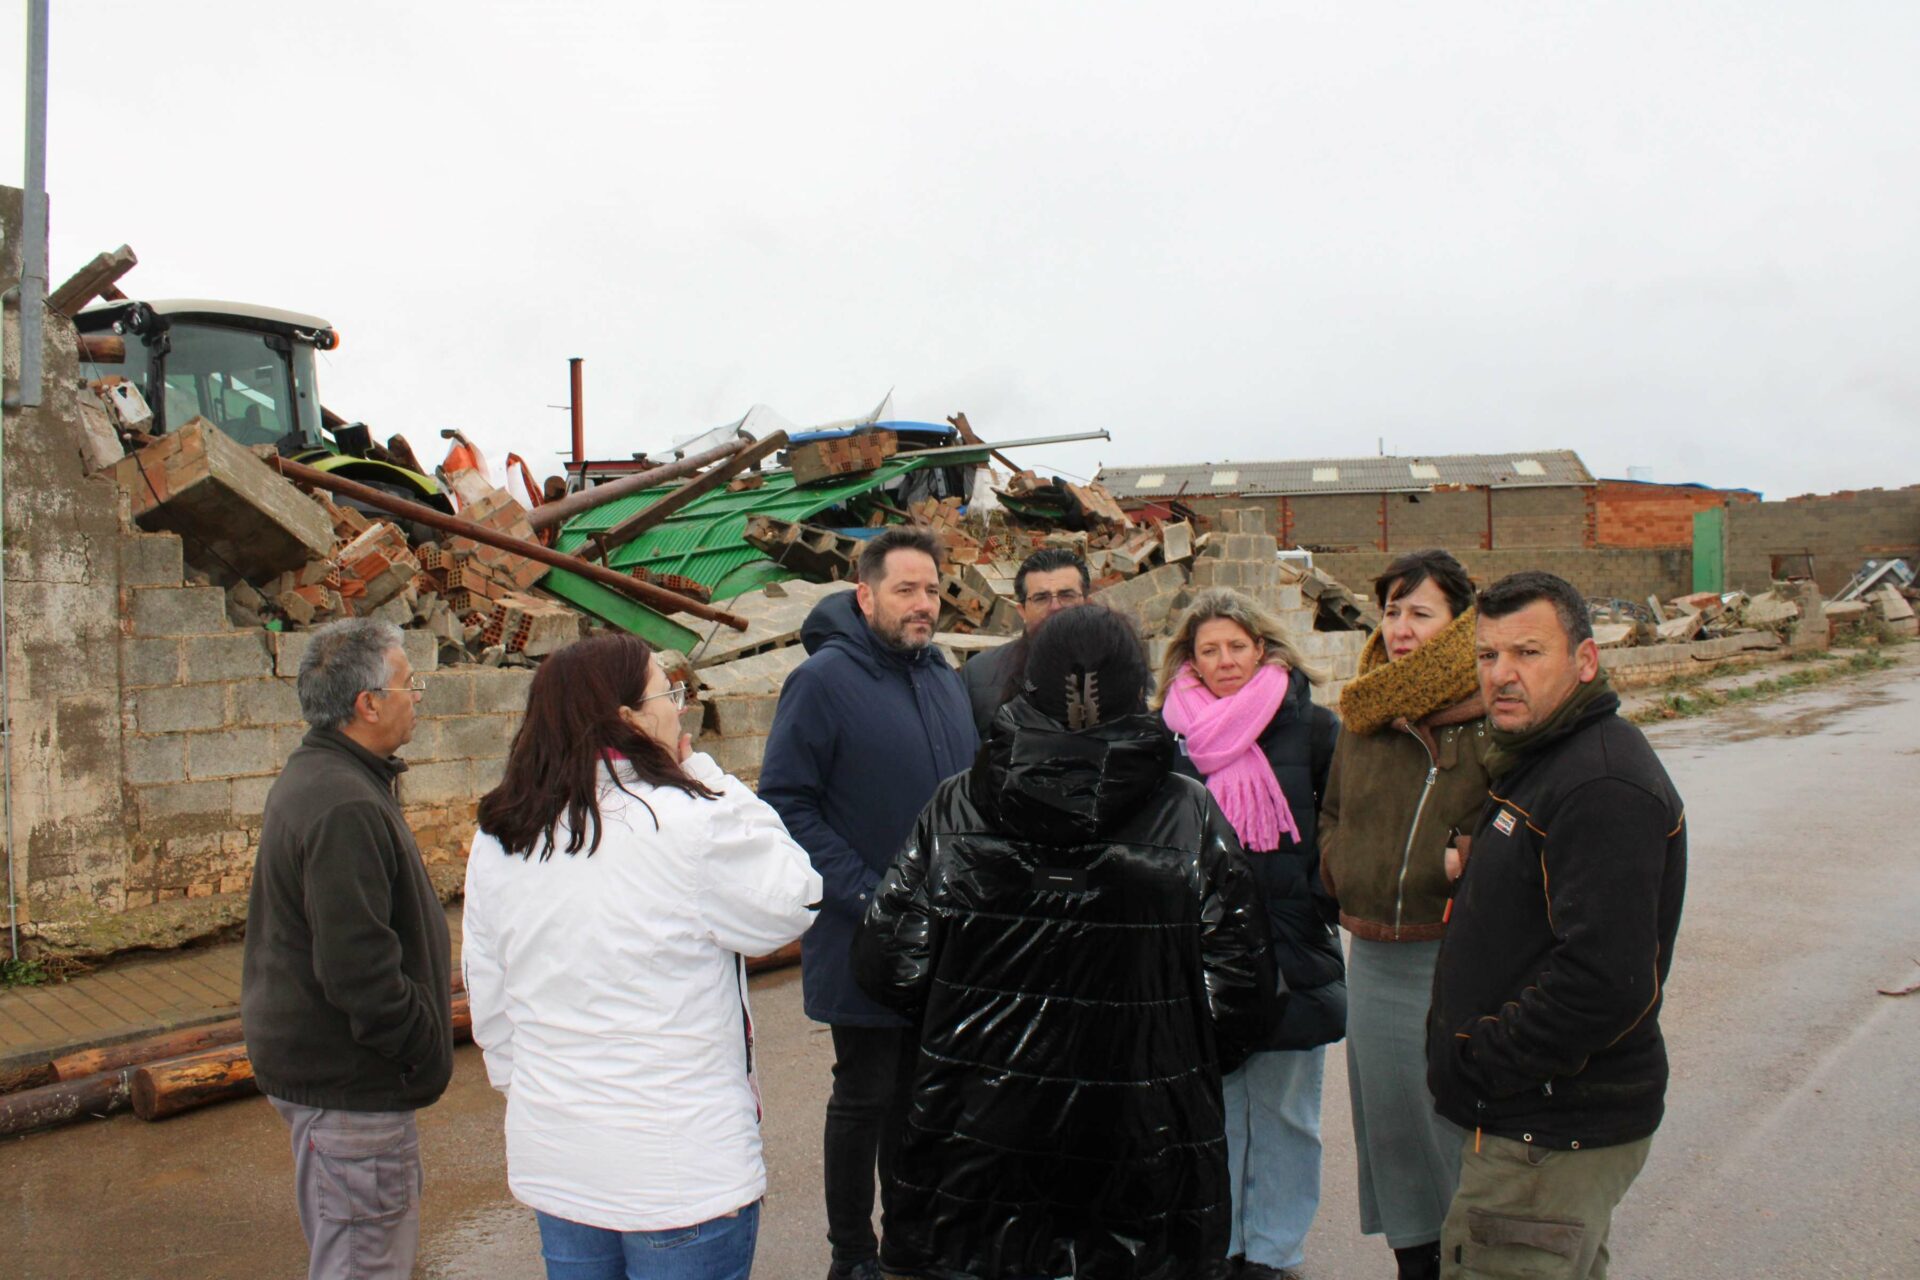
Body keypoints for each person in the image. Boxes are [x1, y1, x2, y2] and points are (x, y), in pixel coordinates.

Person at [854, 605, 1278, 1279]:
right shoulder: (1185, 812)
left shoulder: (955, 807)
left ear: (1029, 678)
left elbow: (889, 966)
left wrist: (967, 1032)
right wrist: (1166, 1056)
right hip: (1144, 1143)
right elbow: (1243, 997)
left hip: (976, 1139)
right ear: (1137, 681)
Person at [462, 634, 821, 1280]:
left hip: (560, 1164)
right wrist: (710, 780)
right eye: (669, 693)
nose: (680, 710)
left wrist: (542, 1099)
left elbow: (490, 1001)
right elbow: (794, 898)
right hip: (677, 1173)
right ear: (628, 719)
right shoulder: (685, 822)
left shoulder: (501, 836)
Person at [1429, 571, 1686, 1280]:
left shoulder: (1600, 784)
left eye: (1528, 653)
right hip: (1537, 1121)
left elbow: (1607, 981)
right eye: (1488, 656)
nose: (1502, 676)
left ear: (1586, 661)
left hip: (1548, 1131)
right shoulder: (1542, 759)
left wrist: (1484, 1059)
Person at [759, 526, 980, 1280]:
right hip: (865, 933)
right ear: (864, 595)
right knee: (865, 1095)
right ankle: (852, 1254)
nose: (923, 605)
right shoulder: (822, 681)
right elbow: (786, 802)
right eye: (905, 590)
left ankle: (914, 1242)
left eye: (931, 589)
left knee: (928, 1098)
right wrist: (867, 891)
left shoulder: (944, 677)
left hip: (947, 936)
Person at [241, 618, 452, 1280]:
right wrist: (419, 1045)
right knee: (364, 1258)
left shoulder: (327, 775)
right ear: (368, 704)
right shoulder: (343, 804)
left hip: (331, 1077)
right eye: (408, 684)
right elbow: (358, 971)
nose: (416, 697)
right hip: (353, 1087)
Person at [1154, 588, 1343, 1280]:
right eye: (1210, 650)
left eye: (1237, 646)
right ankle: (1224, 1243)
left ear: (1261, 648)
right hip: (1201, 952)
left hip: (1291, 944)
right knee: (1217, 1109)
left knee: (1288, 1113)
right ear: (1192, 662)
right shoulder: (1169, 739)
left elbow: (1341, 822)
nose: (1226, 660)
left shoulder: (1314, 727)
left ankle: (1275, 1253)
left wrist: (1315, 894)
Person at [1318, 550, 1487, 1280]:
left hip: (1458, 958)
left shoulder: (1492, 715)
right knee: (1392, 1137)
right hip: (1377, 964)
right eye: (1392, 611)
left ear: (1459, 622)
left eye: (1422, 612)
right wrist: (1340, 863)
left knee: (1456, 1138)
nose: (1402, 628)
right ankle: (1413, 1264)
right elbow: (1332, 813)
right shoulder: (1364, 713)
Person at [962, 546, 1091, 735]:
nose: (1055, 607)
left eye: (1067, 595)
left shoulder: (1119, 668)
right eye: (1041, 598)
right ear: (1022, 611)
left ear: (1087, 603)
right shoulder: (980, 675)